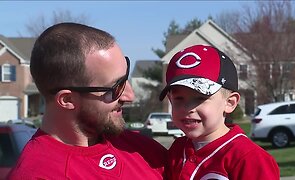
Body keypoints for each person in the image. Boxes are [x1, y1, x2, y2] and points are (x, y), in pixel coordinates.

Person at [8, 22, 167, 179]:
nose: (130, 96)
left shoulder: (141, 149)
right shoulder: (38, 174)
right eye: (116, 87)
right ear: (67, 99)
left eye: (126, 78)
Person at [159, 44, 280, 180]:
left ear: (230, 103)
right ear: (170, 99)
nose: (188, 108)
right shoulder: (177, 150)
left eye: (200, 98)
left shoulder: (249, 158)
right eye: (179, 98)